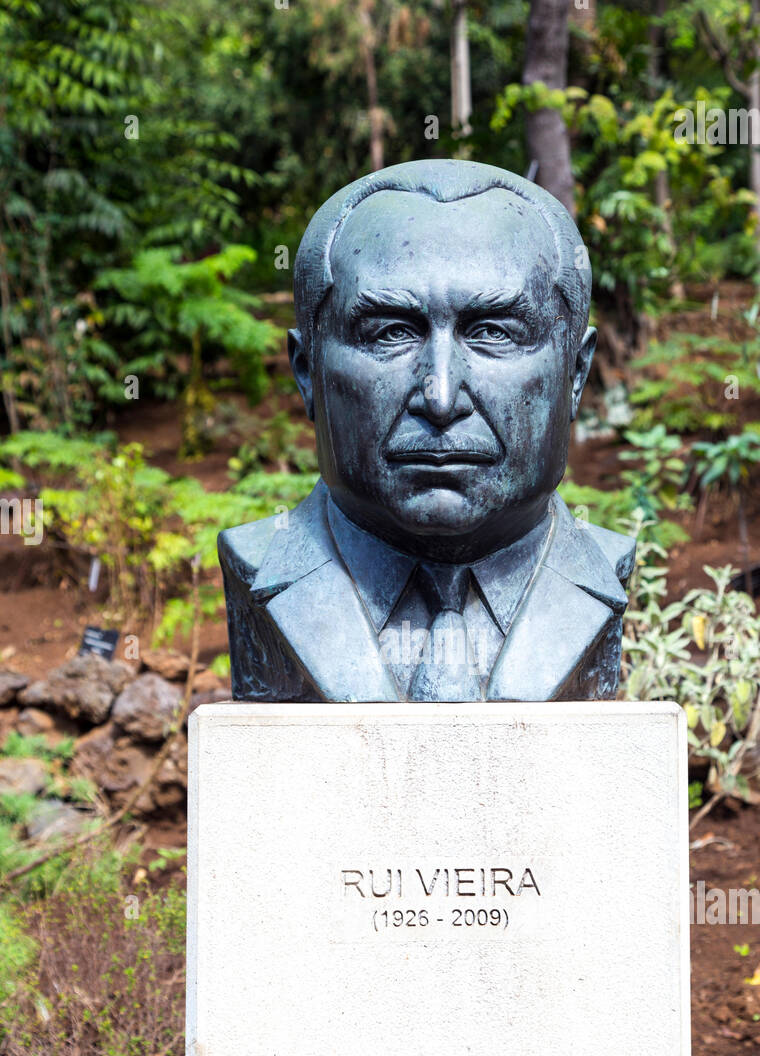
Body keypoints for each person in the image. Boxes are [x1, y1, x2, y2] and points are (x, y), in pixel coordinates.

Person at [218, 158, 634, 702]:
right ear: (308, 372)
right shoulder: (257, 564)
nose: (440, 398)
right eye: (391, 333)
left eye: (493, 333)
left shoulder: (602, 568)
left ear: (575, 375)